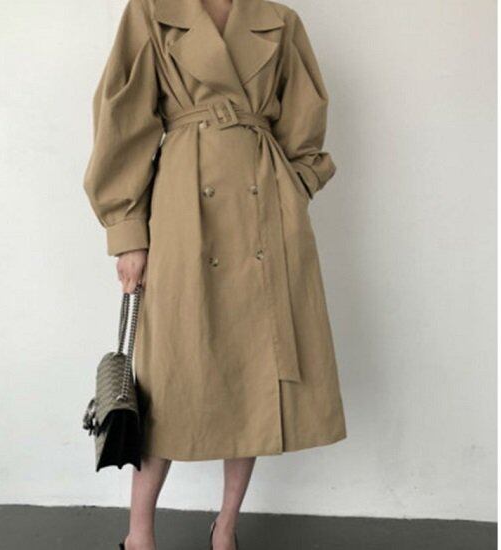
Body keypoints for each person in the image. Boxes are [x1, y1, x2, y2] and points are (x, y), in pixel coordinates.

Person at [83, 0, 347, 548]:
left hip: (263, 213)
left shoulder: (280, 21)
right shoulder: (152, 12)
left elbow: (305, 123)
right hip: (183, 211)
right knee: (166, 381)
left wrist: (292, 189)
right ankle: (139, 533)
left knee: (254, 369)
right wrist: (128, 232)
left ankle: (226, 527)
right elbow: (122, 119)